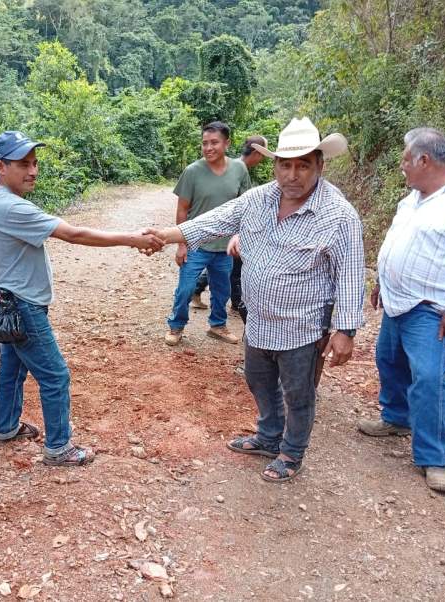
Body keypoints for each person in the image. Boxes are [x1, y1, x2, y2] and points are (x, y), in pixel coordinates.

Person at [144, 117, 365, 482]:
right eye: (285, 165)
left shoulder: (338, 216)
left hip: (303, 327)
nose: (292, 174)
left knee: (299, 394)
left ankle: (292, 453)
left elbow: (352, 275)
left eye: (303, 165)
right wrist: (166, 234)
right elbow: (216, 220)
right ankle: (268, 436)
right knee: (258, 381)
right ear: (275, 164)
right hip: (259, 321)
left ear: (319, 166)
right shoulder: (260, 198)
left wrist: (345, 330)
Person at [0, 131, 163, 466]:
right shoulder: (10, 206)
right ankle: (59, 447)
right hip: (22, 306)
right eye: (23, 164)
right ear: (0, 165)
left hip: (8, 303)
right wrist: (131, 239)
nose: (33, 170)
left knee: (13, 367)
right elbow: (74, 234)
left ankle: (6, 427)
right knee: (55, 375)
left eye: (35, 163)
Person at [358, 127, 445, 494]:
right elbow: (400, 241)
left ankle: (433, 458)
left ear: (424, 160)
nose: (401, 167)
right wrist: (382, 281)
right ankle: (396, 418)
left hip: (432, 311)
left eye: (405, 160)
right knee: (389, 362)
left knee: (429, 379)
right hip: (398, 303)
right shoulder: (415, 197)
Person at [165, 121, 250, 347]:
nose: (208, 148)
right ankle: (176, 326)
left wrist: (240, 237)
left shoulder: (239, 170)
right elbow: (182, 210)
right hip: (195, 244)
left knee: (222, 291)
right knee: (185, 289)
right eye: (204, 143)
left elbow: (245, 207)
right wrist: (181, 245)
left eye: (214, 142)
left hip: (225, 247)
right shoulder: (192, 172)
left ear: (227, 143)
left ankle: (217, 325)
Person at [191, 135, 269, 321]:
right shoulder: (235, 169)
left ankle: (226, 299)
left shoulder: (238, 168)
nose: (263, 160)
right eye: (263, 155)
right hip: (224, 229)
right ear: (257, 153)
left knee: (228, 266)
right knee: (227, 266)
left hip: (228, 231)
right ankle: (210, 295)